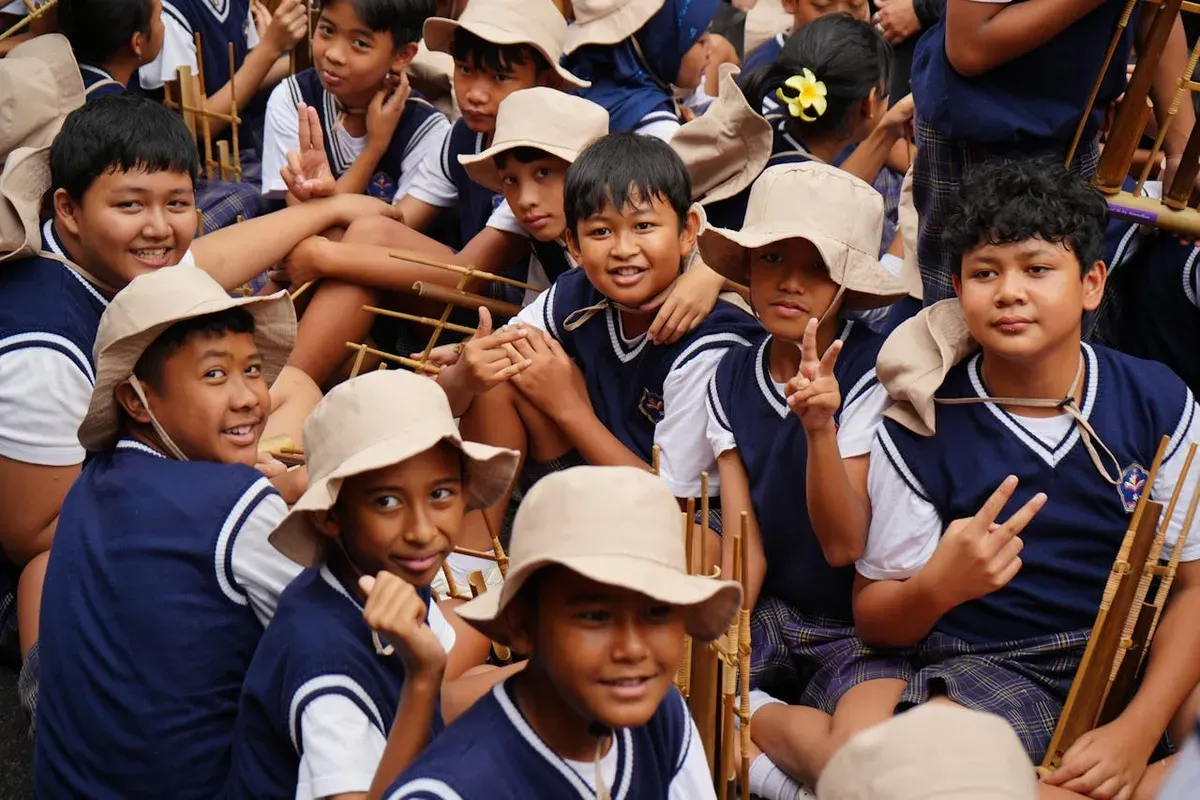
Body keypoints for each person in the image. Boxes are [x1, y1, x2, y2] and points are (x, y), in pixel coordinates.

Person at [0, 94, 397, 730]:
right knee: (52, 570)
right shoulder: (39, 350)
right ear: (68, 210)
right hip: (50, 561)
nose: (159, 227)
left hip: (131, 468)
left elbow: (205, 260)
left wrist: (330, 207)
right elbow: (33, 534)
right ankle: (60, 696)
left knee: (289, 388)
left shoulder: (102, 256)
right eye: (131, 204)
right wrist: (214, 490)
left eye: (178, 203)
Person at [855, 160, 1200, 799]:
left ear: (1092, 283)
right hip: (995, 664)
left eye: (1037, 269)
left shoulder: (1157, 400)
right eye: (986, 273)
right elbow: (875, 620)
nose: (1009, 291)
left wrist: (1135, 730)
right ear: (957, 288)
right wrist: (937, 586)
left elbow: (1194, 586)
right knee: (921, 771)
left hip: (1143, 651)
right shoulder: (924, 422)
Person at [33, 266, 304, 797]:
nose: (250, 396)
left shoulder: (90, 485)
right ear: (136, 400)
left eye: (253, 369)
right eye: (214, 375)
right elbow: (363, 644)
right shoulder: (237, 502)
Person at [702, 162, 907, 800]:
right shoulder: (730, 375)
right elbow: (744, 537)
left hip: (862, 624)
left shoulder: (878, 372)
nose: (790, 283)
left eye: (817, 268)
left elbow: (845, 546)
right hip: (774, 609)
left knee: (858, 766)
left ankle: (745, 722)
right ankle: (749, 729)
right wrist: (725, 642)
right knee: (664, 687)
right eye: (772, 259)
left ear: (847, 283)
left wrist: (820, 426)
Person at [227, 370, 521, 799]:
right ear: (329, 516)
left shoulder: (380, 572)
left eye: (440, 494)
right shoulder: (326, 665)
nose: (422, 530)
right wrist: (424, 676)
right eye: (387, 502)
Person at [455, 132, 760, 545]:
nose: (622, 248)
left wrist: (569, 408)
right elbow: (500, 352)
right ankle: (471, 559)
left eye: (645, 226)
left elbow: (668, 504)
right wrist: (464, 372)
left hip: (677, 516)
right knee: (505, 371)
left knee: (701, 547)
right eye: (600, 232)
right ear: (574, 245)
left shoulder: (711, 342)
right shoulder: (577, 291)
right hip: (600, 471)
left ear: (688, 231)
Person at [275, 0, 586, 388]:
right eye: (466, 71)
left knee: (342, 254)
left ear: (547, 82)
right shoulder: (463, 135)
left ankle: (286, 386)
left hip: (516, 312)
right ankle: (282, 368)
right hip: (464, 294)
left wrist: (329, 257)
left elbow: (467, 277)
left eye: (500, 78)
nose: (474, 93)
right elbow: (399, 219)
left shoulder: (541, 157)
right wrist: (329, 203)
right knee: (362, 236)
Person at [383, 465, 742, 799]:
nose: (633, 649)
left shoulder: (663, 718)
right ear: (523, 625)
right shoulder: (457, 788)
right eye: (595, 616)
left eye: (657, 612)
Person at [909, 0, 1196, 303]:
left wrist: (1183, 153)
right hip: (981, 132)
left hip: (1077, 129)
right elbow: (970, 47)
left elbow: (1159, 10)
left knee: (1068, 307)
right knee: (971, 319)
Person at [727, 13, 910, 252]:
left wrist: (887, 131)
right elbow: (825, 198)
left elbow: (830, 187)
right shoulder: (802, 190)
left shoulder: (772, 132)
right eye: (886, 95)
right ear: (869, 103)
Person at [260, 0, 450, 204]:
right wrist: (374, 148)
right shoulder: (294, 99)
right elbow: (297, 222)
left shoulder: (427, 132)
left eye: (360, 43)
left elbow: (392, 231)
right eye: (327, 30)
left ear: (402, 55)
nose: (333, 55)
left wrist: (376, 145)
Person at [137, 0, 308, 178]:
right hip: (204, 165)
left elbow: (250, 75)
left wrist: (309, 55)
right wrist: (271, 47)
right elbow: (202, 124)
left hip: (247, 143)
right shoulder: (169, 13)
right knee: (290, 179)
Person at [562, 0, 718, 140]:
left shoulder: (587, 68)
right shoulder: (658, 129)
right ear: (661, 41)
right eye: (700, 41)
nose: (711, 51)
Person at [57, 0, 165, 99]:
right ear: (137, 43)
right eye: (159, 17)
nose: (163, 26)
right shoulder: (124, 114)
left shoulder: (53, 81)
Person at [740, 0, 868, 74]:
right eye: (822, 6)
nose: (841, 18)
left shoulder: (875, 60)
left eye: (857, 5)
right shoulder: (764, 73)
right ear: (789, 2)